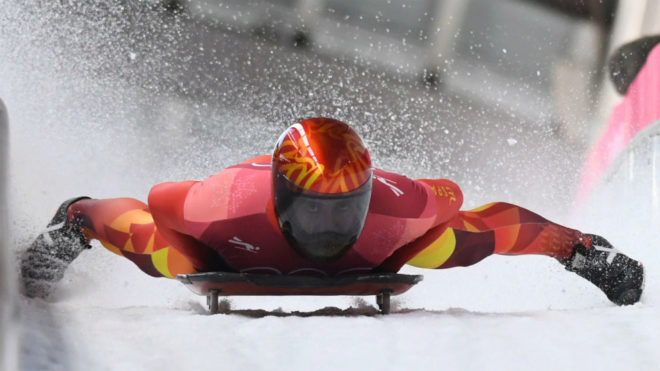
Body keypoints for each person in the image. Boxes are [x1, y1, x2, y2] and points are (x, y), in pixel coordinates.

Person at [21, 117, 644, 306]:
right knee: (157, 249)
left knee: (457, 242)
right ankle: (71, 219)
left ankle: (586, 250)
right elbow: (157, 199)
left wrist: (580, 251)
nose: (328, 228)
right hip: (232, 229)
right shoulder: (222, 207)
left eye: (341, 212)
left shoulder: (397, 212)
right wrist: (90, 217)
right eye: (315, 213)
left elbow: (469, 206)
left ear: (364, 200)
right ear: (282, 199)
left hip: (380, 217)